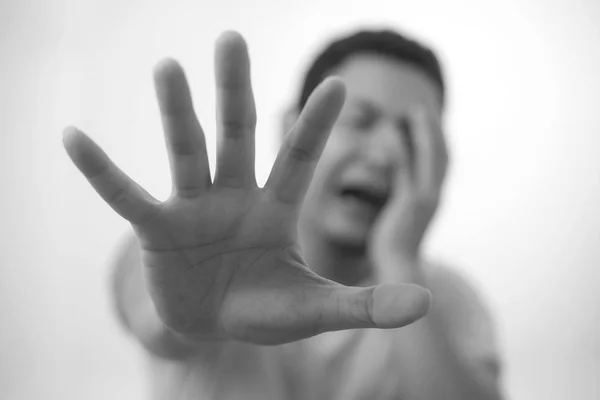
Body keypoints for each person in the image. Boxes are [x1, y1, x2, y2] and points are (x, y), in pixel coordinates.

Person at [63, 28, 503, 400]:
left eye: (410, 136)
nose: (387, 153)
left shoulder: (448, 299)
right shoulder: (186, 247)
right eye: (361, 121)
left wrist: (400, 259)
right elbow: (150, 308)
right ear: (290, 128)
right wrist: (189, 312)